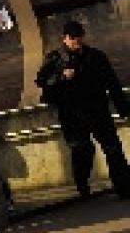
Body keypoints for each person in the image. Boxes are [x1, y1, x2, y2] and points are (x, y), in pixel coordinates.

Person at [35, 20, 130, 197]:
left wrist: (122, 107)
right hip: (72, 115)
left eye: (79, 37)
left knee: (113, 149)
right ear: (64, 38)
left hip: (97, 110)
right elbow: (41, 81)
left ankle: (124, 186)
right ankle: (82, 183)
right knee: (82, 150)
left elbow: (112, 82)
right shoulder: (54, 59)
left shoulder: (95, 56)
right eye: (73, 38)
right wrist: (61, 76)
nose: (77, 41)